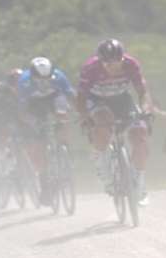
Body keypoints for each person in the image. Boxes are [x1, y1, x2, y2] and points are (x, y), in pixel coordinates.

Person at [76, 39, 154, 204]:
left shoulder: (131, 64)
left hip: (122, 99)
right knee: (103, 125)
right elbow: (81, 97)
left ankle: (138, 181)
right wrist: (85, 116)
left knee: (140, 138)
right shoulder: (91, 68)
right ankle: (103, 169)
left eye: (116, 63)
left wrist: (146, 109)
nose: (113, 68)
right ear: (100, 62)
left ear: (123, 59)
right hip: (97, 100)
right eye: (108, 65)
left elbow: (142, 91)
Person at [18, 57, 76, 204]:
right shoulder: (25, 81)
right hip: (34, 104)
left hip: (54, 98)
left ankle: (65, 150)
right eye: (39, 79)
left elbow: (70, 95)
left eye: (47, 78)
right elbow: (23, 110)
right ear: (32, 75)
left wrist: (81, 112)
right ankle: (45, 185)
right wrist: (33, 122)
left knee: (62, 115)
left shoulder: (59, 76)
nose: (44, 82)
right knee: (38, 148)